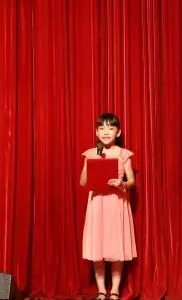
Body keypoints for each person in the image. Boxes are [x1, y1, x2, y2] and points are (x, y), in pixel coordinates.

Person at [80, 113, 137, 300]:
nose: (106, 132)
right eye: (102, 128)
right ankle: (101, 290)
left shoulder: (123, 154)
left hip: (116, 203)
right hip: (97, 204)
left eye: (110, 128)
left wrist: (122, 183)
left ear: (118, 132)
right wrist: (91, 163)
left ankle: (115, 291)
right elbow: (83, 182)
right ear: (96, 132)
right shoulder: (90, 153)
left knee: (116, 247)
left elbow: (132, 182)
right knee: (98, 247)